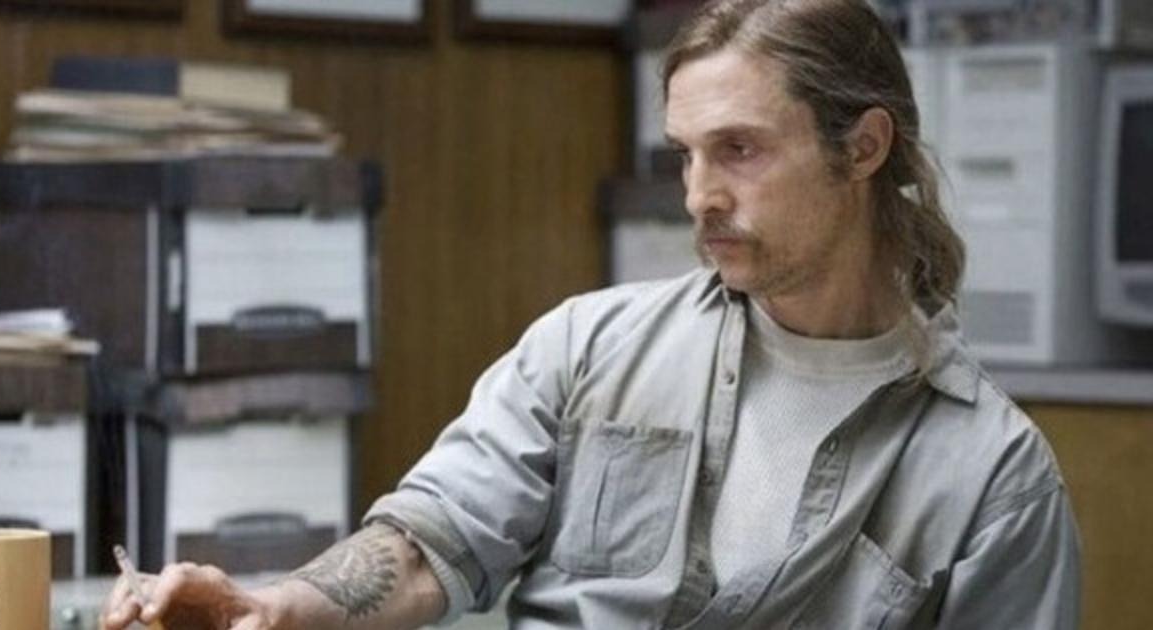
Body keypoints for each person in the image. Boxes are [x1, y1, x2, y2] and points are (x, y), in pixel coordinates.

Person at [101, 0, 1080, 628]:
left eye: (739, 150)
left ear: (863, 148)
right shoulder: (589, 348)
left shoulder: (992, 477)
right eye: (685, 155)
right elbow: (430, 543)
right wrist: (277, 607)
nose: (698, 195)